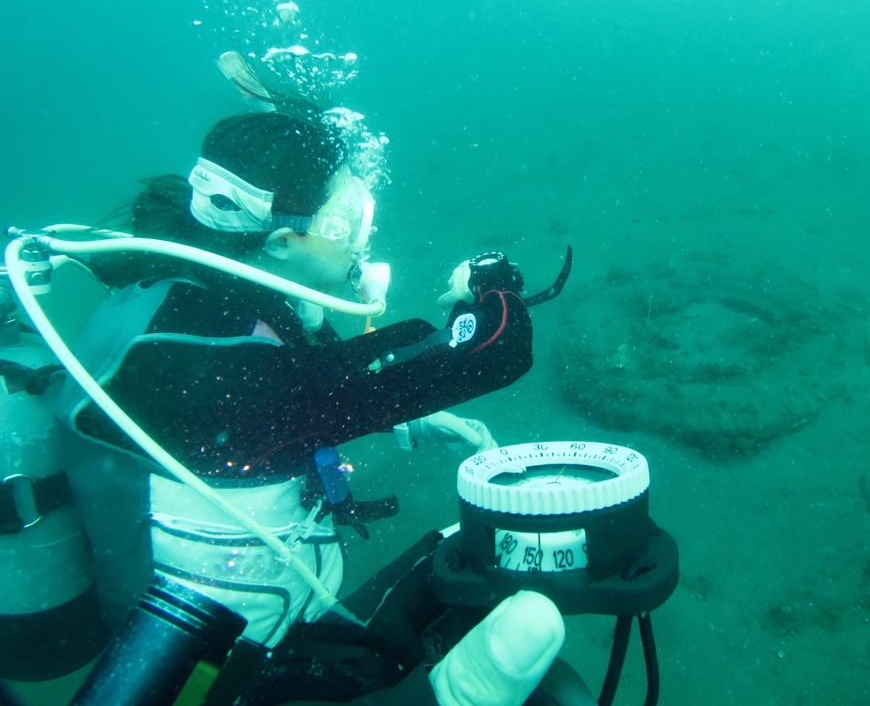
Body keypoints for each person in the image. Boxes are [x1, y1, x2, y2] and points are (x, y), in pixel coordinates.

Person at [54, 96, 572, 705]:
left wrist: (408, 420)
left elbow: (327, 388)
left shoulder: (205, 298)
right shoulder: (228, 367)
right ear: (275, 243)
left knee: (481, 549)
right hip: (229, 677)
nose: (363, 236)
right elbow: (495, 353)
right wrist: (490, 280)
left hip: (271, 622)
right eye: (346, 222)